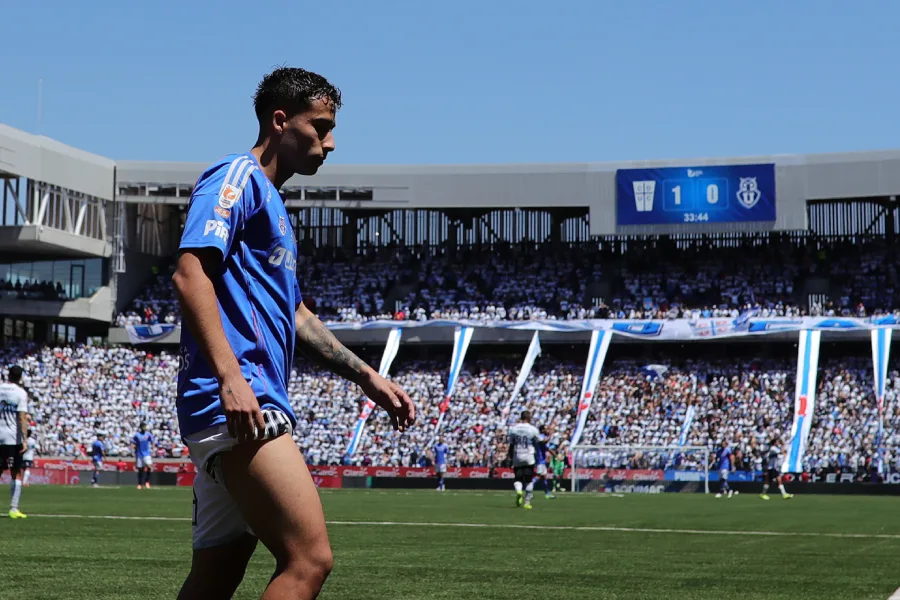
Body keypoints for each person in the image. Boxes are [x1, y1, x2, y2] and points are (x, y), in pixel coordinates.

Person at [172, 66, 415, 600]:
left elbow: (297, 314)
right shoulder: (235, 177)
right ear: (280, 121)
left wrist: (368, 377)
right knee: (308, 560)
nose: (330, 144)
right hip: (240, 402)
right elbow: (190, 274)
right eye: (320, 127)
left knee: (217, 575)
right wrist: (231, 378)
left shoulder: (273, 203)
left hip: (237, 403)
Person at [0, 366, 29, 519]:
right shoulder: (20, 393)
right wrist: (24, 439)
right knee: (16, 473)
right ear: (20, 377)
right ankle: (13, 508)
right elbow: (22, 418)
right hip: (12, 438)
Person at [508, 410, 540, 509]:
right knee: (529, 480)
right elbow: (537, 444)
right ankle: (527, 502)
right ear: (529, 418)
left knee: (518, 478)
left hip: (518, 455)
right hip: (529, 456)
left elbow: (511, 445)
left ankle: (519, 491)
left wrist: (510, 457)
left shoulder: (514, 429)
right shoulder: (533, 429)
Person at [534, 426, 555, 499]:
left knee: (544, 477)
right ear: (542, 430)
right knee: (539, 476)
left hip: (542, 460)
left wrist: (555, 455)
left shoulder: (543, 437)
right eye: (546, 429)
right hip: (540, 460)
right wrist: (550, 435)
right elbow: (544, 442)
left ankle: (547, 493)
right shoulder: (540, 436)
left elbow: (547, 448)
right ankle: (528, 490)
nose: (547, 430)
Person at [133, 422, 154, 490]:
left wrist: (153, 450)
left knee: (149, 466)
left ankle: (147, 482)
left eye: (145, 426)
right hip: (139, 454)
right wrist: (133, 450)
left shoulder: (148, 434)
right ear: (141, 427)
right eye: (144, 426)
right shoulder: (137, 435)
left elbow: (152, 441)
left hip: (147, 453)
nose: (145, 428)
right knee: (140, 469)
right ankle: (140, 484)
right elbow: (133, 443)